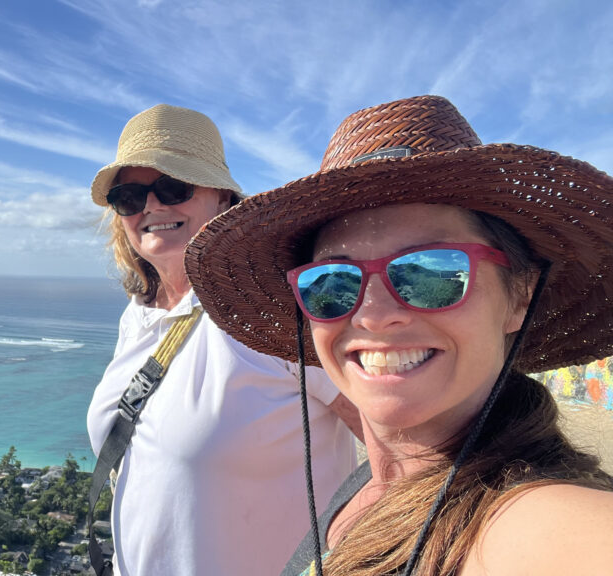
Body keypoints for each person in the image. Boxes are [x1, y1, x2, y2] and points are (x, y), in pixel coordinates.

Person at [185, 95, 613, 576]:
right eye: (333, 282)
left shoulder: (540, 523)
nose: (373, 315)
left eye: (430, 271)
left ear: (519, 295)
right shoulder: (368, 486)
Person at [86, 103, 360, 575]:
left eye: (174, 186)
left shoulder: (275, 311)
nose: (152, 206)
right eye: (130, 197)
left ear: (222, 199)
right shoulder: (141, 319)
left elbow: (402, 453)